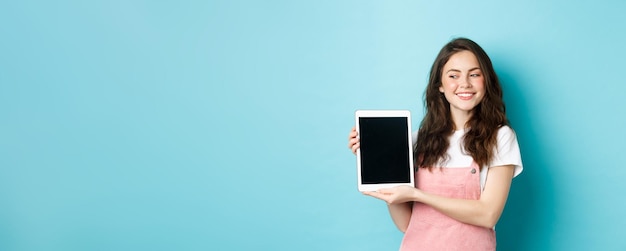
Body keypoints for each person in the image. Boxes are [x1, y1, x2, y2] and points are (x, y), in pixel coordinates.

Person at [347, 38, 523, 250]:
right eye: (453, 75)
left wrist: (418, 195)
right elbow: (406, 225)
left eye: (474, 74)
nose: (465, 83)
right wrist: (379, 165)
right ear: (440, 85)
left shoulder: (501, 137)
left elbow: (488, 214)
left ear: (487, 81)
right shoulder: (417, 141)